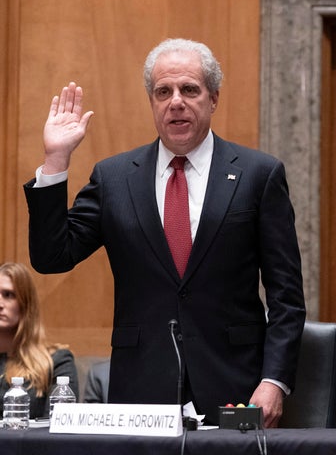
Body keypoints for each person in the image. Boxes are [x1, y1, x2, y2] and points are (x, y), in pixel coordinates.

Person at [23, 38, 306, 427]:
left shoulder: (258, 175)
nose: (176, 101)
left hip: (236, 384)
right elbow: (51, 257)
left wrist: (274, 381)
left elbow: (287, 296)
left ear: (213, 98)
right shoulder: (114, 178)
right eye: (163, 91)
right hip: (140, 387)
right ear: (152, 102)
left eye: (190, 89)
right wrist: (56, 161)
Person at [0, 262, 78, 419]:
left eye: (8, 295)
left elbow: (58, 429)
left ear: (25, 304)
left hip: (30, 444)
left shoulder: (57, 361)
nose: (0, 303)